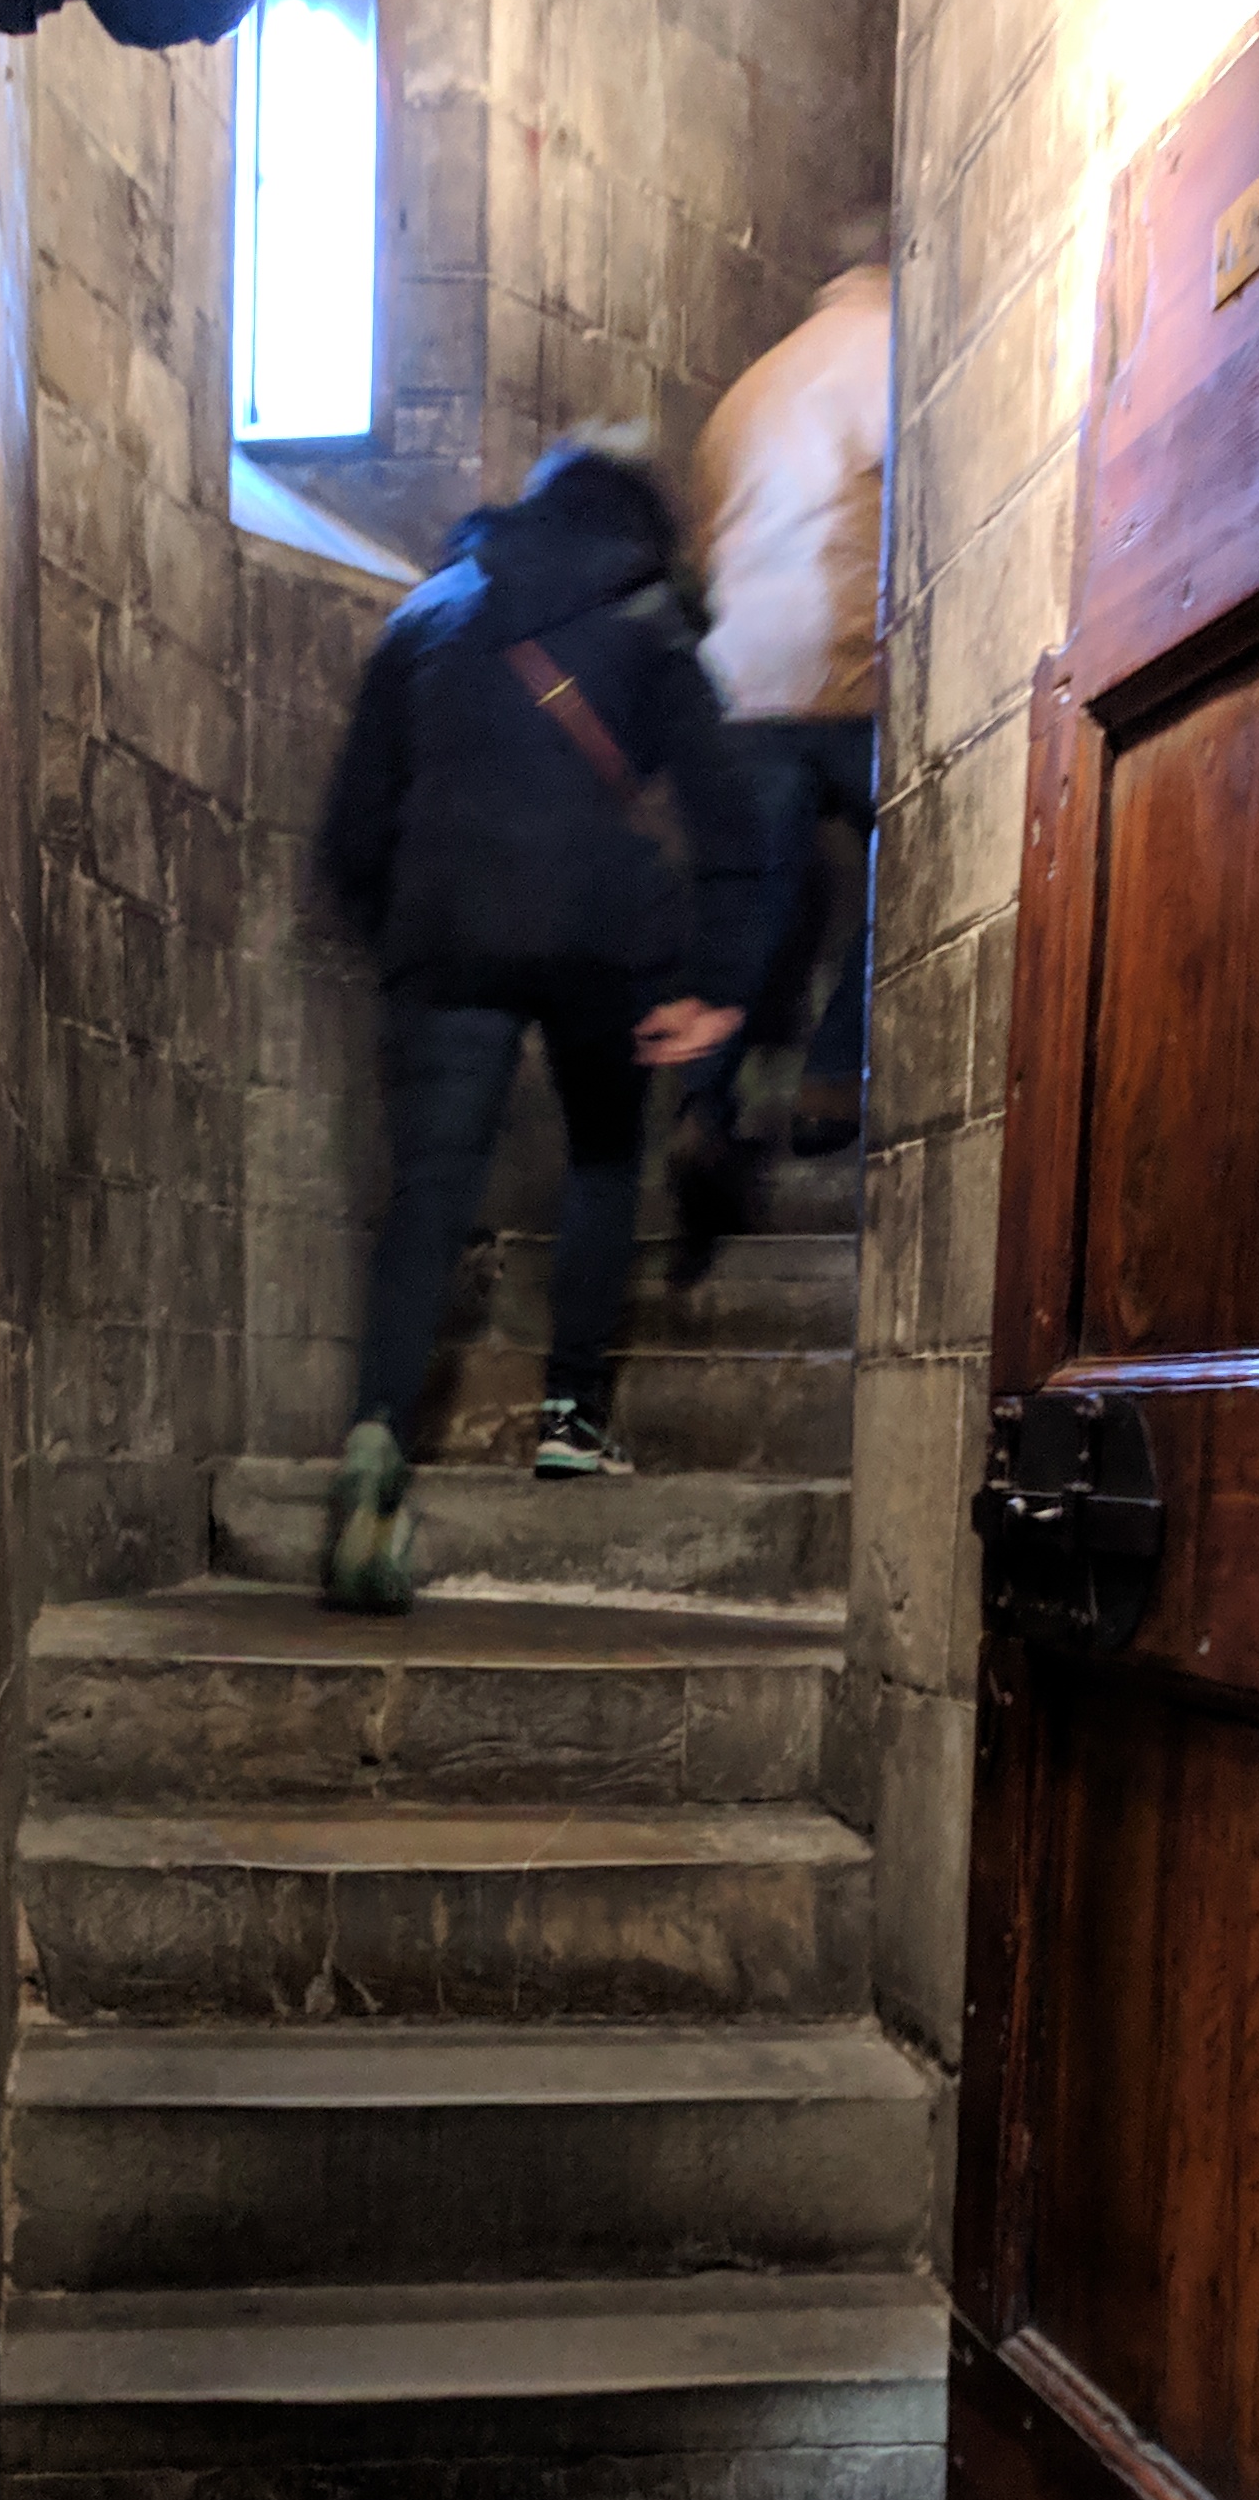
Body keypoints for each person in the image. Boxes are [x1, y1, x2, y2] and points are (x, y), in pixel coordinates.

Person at [317, 432, 761, 1613]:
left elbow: (352, 825)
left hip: (444, 931)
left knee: (429, 1191)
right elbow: (728, 812)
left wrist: (399, 937)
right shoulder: (648, 617)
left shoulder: (431, 608)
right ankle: (571, 1416)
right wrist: (712, 981)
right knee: (605, 1155)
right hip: (595, 935)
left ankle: (377, 1432)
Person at [670, 221, 893, 1282]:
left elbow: (706, 545)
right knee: (916, 862)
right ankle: (832, 1075)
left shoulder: (749, 391)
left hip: (741, 678)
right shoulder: (892, 353)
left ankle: (703, 1100)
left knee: (747, 903)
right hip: (842, 669)